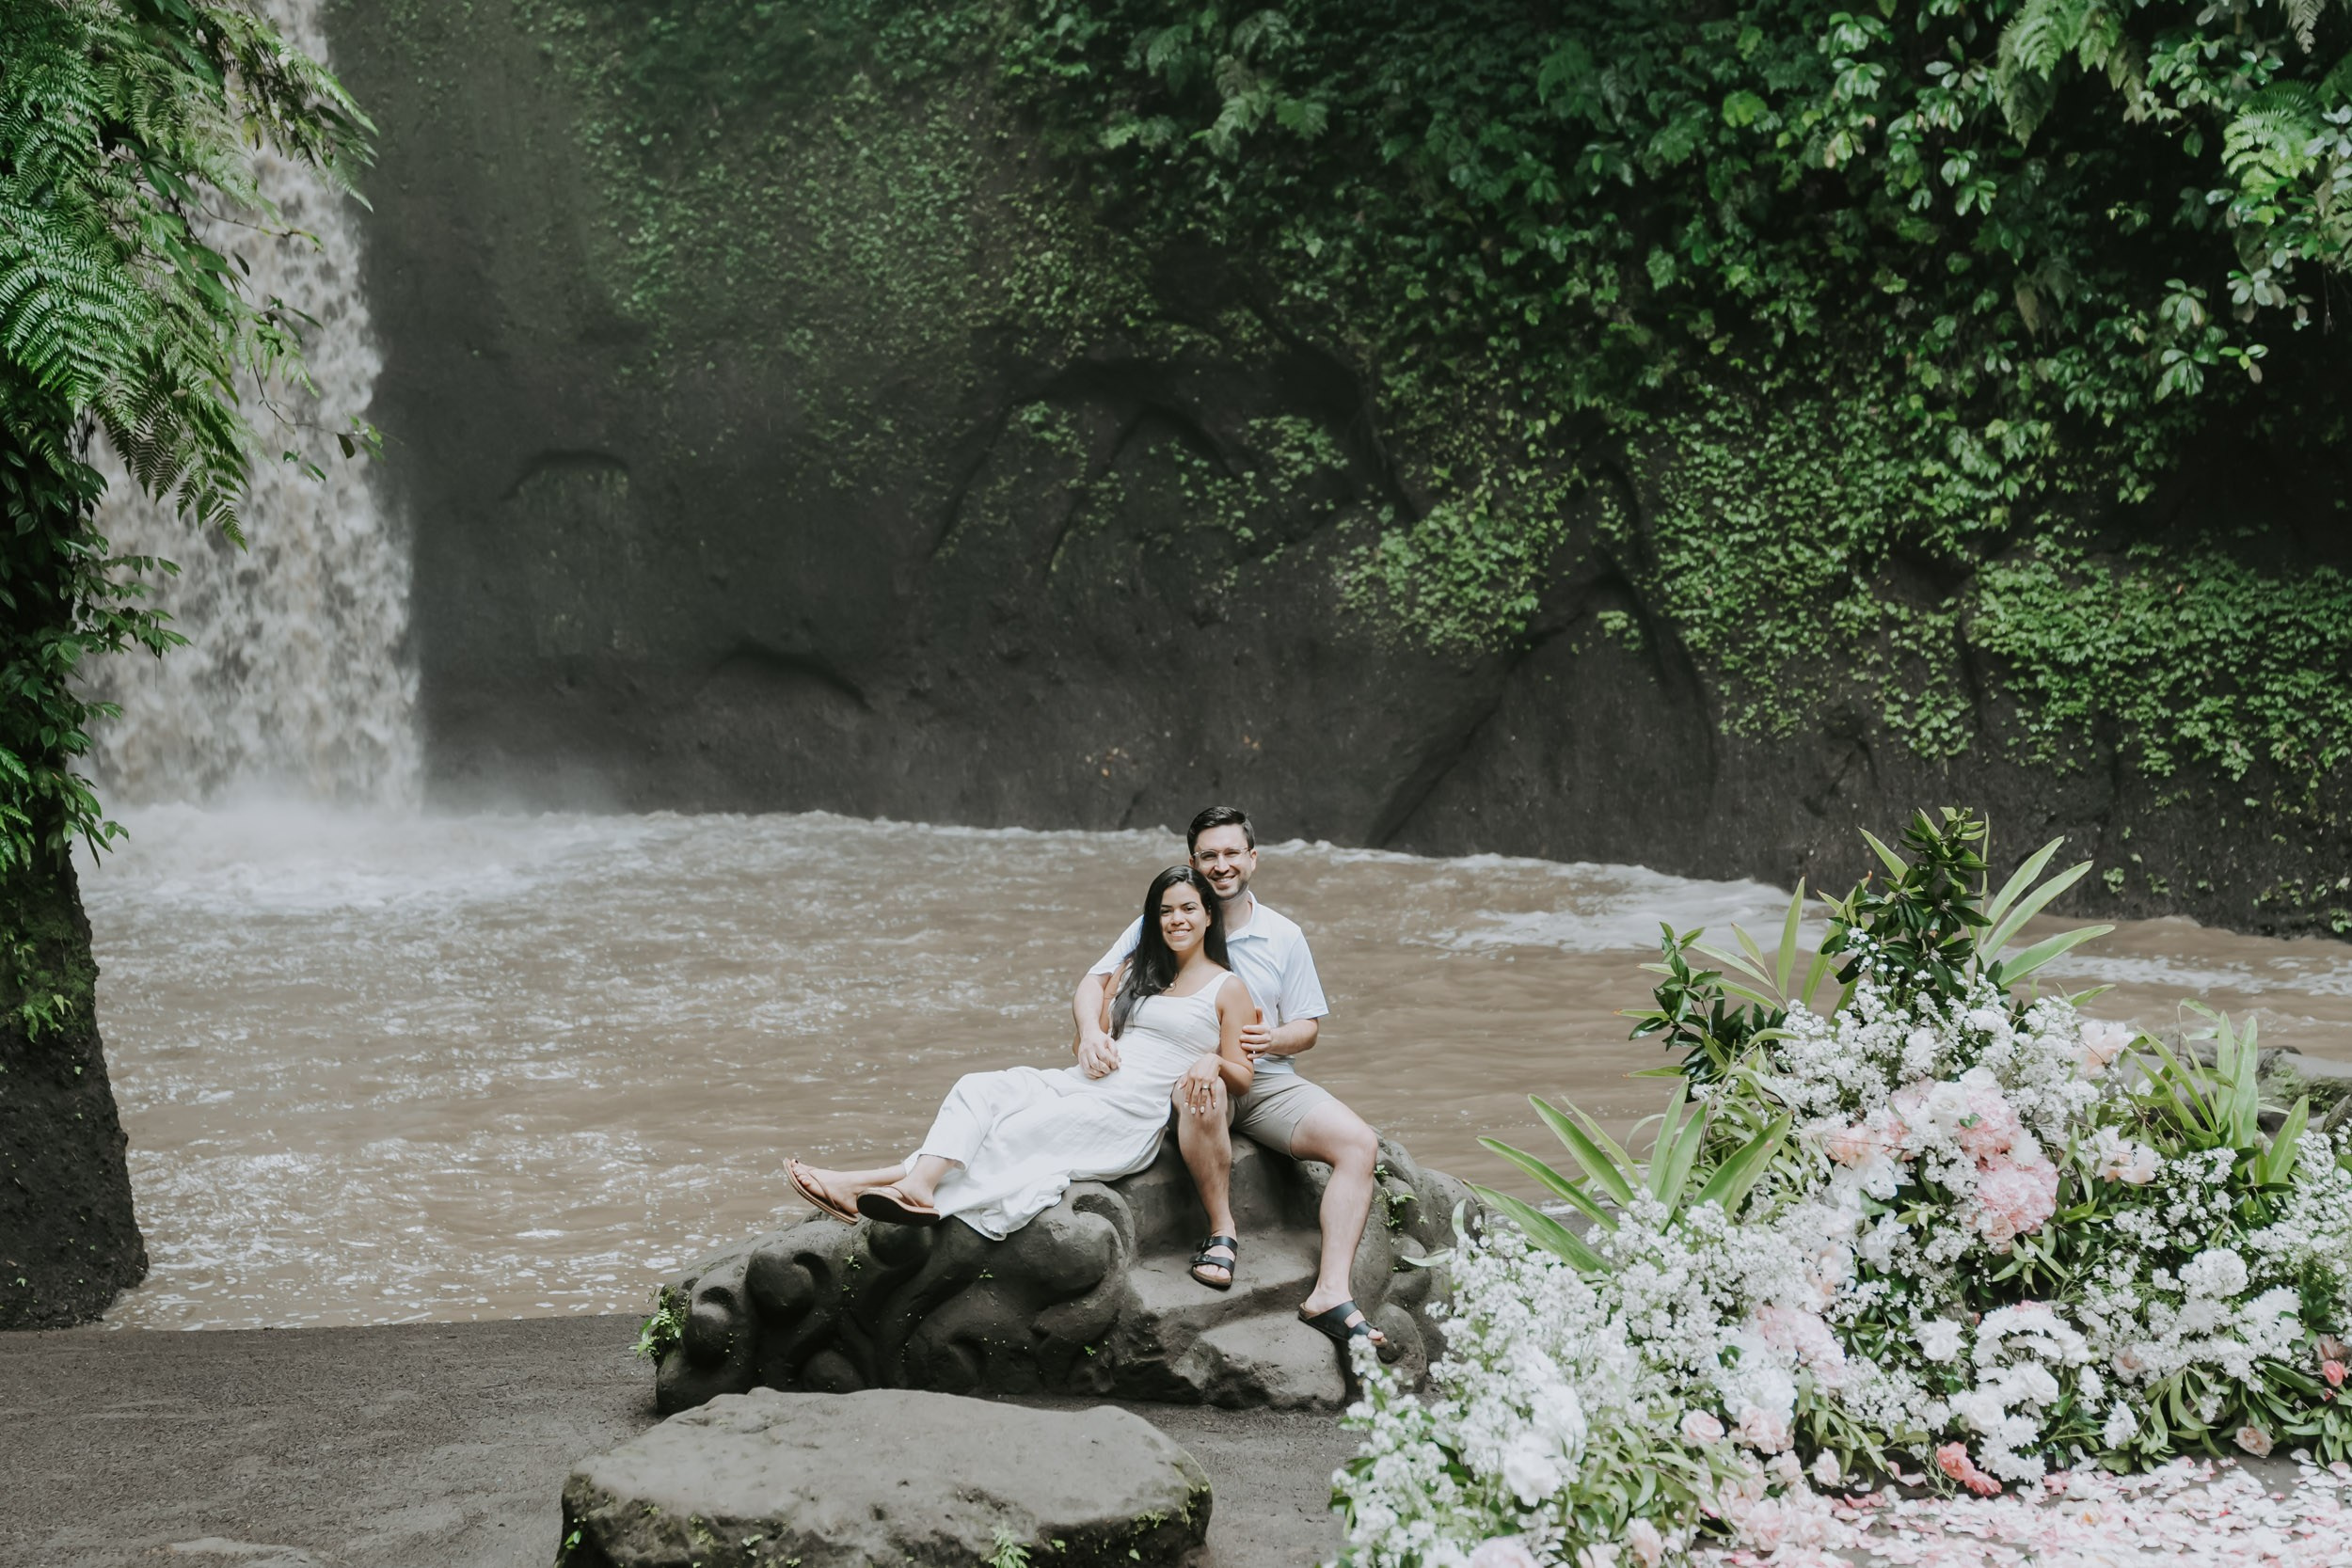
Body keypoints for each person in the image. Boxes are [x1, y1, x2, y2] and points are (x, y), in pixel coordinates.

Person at [786, 865, 1256, 1239]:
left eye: (1188, 909)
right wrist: (1092, 1040)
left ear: (1208, 915)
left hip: (1131, 1110)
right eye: (1166, 911)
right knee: (980, 1089)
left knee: (1015, 1131)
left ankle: (863, 1184)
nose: (1177, 920)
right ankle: (915, 1186)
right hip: (1082, 1083)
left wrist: (1213, 1060)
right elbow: (1084, 1043)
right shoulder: (1136, 970)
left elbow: (1243, 1075)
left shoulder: (1227, 987)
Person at [1072, 805, 1389, 1354]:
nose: (1221, 865)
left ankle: (1331, 1295)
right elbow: (1093, 981)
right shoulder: (1168, 917)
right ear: (1192, 861)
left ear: (1252, 858)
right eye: (1209, 856)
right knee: (1204, 1088)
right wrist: (1091, 1033)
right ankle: (1222, 1232)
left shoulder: (1283, 935)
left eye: (1231, 854)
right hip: (1184, 1074)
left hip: (1265, 1080)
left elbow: (1308, 1027)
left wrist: (1274, 1038)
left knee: (1359, 1143)